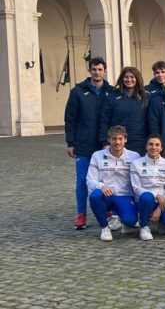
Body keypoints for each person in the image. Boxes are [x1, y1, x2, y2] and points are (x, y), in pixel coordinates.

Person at [64, 57, 114, 229]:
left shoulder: (111, 91)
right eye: (94, 69)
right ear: (90, 70)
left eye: (100, 69)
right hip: (84, 143)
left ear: (104, 71)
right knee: (82, 181)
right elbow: (70, 118)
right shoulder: (78, 91)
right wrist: (70, 142)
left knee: (106, 179)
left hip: (105, 144)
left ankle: (107, 211)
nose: (97, 72)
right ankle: (81, 214)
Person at [87, 126, 141, 241]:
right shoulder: (97, 155)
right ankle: (104, 227)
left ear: (125, 139)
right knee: (94, 196)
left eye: (120, 139)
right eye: (114, 139)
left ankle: (121, 217)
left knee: (130, 221)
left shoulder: (134, 156)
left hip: (125, 195)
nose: (117, 142)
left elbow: (140, 180)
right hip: (106, 195)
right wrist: (102, 186)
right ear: (109, 139)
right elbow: (89, 180)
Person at [130, 134, 165, 241]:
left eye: (157, 145)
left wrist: (159, 208)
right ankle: (144, 226)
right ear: (146, 146)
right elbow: (136, 188)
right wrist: (156, 195)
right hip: (145, 200)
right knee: (147, 196)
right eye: (151, 144)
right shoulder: (136, 163)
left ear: (161, 148)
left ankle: (161, 221)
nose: (154, 147)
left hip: (164, 201)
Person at [99, 66, 149, 156]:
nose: (129, 80)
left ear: (137, 79)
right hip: (117, 142)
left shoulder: (146, 97)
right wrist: (104, 142)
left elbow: (150, 121)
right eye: (126, 77)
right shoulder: (112, 97)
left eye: (132, 77)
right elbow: (104, 120)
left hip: (139, 143)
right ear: (122, 79)